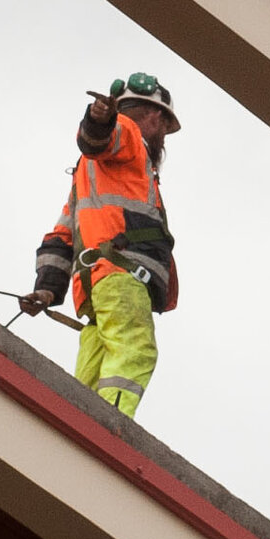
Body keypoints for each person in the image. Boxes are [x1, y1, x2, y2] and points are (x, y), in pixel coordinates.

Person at [21, 72, 180, 416]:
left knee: (90, 376)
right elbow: (99, 137)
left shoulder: (89, 174)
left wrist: (47, 288)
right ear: (155, 116)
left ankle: (80, 429)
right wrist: (99, 118)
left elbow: (62, 237)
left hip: (96, 288)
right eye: (165, 124)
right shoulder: (130, 136)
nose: (165, 133)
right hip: (122, 277)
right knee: (134, 349)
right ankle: (112, 429)